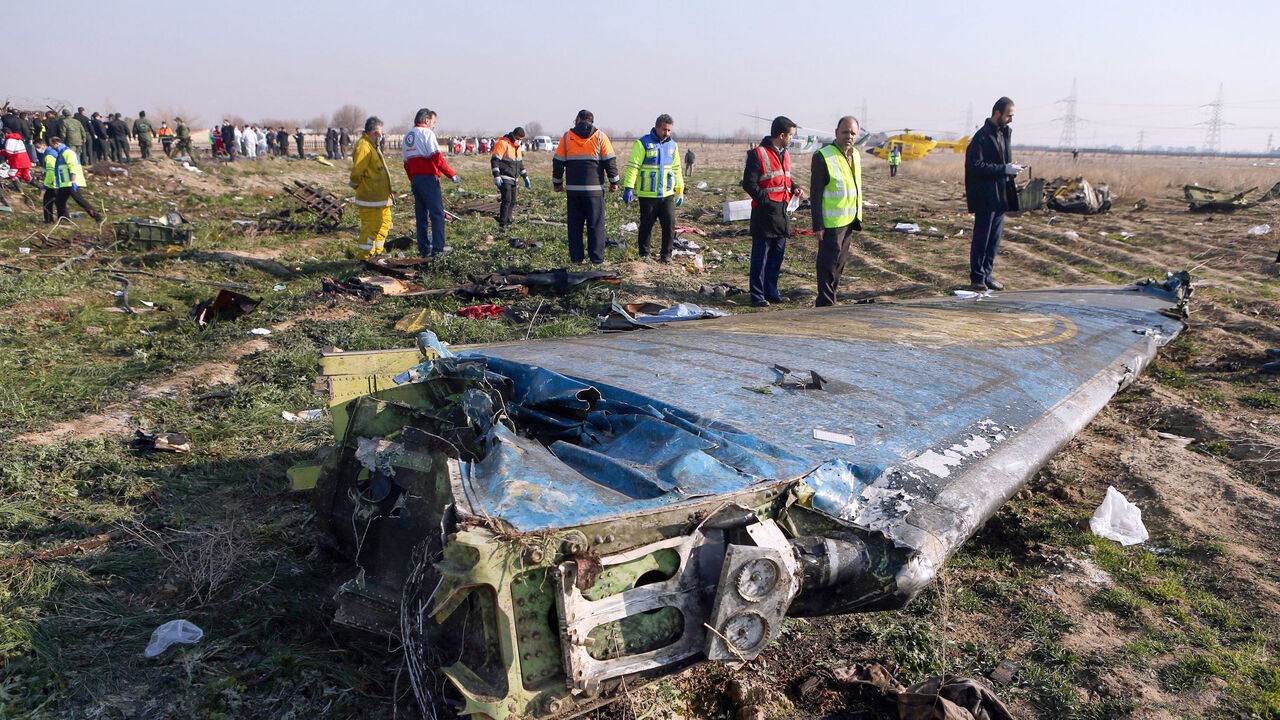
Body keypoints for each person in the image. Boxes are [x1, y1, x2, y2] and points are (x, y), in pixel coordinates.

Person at [741, 116, 805, 306]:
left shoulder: (785, 154)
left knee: (777, 256)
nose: (791, 139)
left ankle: (771, 292)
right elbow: (749, 184)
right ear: (782, 135)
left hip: (782, 213)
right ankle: (757, 295)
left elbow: (784, 178)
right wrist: (766, 201)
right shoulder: (757, 154)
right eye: (791, 135)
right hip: (765, 214)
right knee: (761, 257)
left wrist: (795, 187)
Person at [964, 96, 1022, 292]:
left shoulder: (1004, 134)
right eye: (1008, 115)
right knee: (982, 238)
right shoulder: (982, 137)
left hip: (1000, 196)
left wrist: (1011, 169)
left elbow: (1001, 162)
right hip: (985, 197)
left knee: (994, 240)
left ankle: (987, 274)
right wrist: (1003, 169)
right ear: (997, 113)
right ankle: (977, 277)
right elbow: (975, 166)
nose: (1010, 120)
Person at [553, 109, 619, 265]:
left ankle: (576, 259)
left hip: (573, 191)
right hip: (594, 191)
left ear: (578, 119)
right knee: (596, 225)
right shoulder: (600, 137)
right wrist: (614, 182)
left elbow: (558, 162)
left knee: (575, 226)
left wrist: (557, 183)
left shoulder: (567, 137)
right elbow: (610, 161)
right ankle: (597, 259)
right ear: (591, 121)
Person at [810, 116, 864, 307]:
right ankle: (825, 303)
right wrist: (818, 225)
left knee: (839, 265)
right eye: (845, 132)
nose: (849, 136)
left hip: (849, 219)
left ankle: (831, 298)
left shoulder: (855, 155)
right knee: (827, 265)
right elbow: (815, 194)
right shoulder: (823, 156)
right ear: (836, 133)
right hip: (831, 223)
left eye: (853, 133)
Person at [622, 113, 684, 262]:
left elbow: (677, 169)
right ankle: (644, 255)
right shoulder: (642, 143)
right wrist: (628, 187)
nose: (666, 133)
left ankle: (666, 255)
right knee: (646, 226)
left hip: (667, 194)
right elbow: (633, 167)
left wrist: (679, 191)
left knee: (669, 226)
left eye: (669, 130)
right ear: (656, 127)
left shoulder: (673, 146)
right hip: (648, 195)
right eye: (664, 129)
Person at [403, 108, 461, 257]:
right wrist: (451, 174)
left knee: (421, 215)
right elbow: (437, 158)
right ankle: (438, 248)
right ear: (427, 120)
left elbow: (406, 164)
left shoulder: (407, 137)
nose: (434, 126)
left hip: (416, 179)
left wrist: (413, 181)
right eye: (433, 122)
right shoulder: (427, 133)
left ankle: (423, 248)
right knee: (436, 214)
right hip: (429, 179)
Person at [349, 116, 393, 259]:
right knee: (371, 227)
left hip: (381, 198)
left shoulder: (372, 146)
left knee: (384, 223)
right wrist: (357, 186)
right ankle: (365, 258)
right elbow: (357, 172)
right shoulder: (364, 146)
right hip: (371, 198)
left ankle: (377, 253)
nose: (382, 136)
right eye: (381, 133)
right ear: (376, 132)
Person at [49, 136, 100, 222]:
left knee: (79, 200)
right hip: (65, 183)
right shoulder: (61, 153)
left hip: (71, 182)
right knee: (59, 201)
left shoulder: (67, 152)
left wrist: (73, 181)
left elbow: (73, 166)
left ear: (56, 143)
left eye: (52, 145)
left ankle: (97, 216)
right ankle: (64, 219)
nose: (52, 148)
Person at [490, 126, 530, 232]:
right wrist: (497, 175)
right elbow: (494, 160)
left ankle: (508, 221)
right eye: (519, 139)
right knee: (506, 200)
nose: (520, 141)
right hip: (504, 177)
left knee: (513, 201)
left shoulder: (518, 147)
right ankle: (503, 224)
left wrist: (525, 177)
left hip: (514, 178)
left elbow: (520, 164)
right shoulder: (503, 143)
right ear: (515, 136)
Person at [35, 138, 57, 222]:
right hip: (56, 182)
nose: (38, 149)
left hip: (53, 182)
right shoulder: (49, 152)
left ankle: (48, 220)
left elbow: (50, 171)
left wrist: (45, 185)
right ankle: (60, 219)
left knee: (47, 202)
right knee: (58, 203)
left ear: (44, 145)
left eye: (38, 147)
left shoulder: (49, 155)